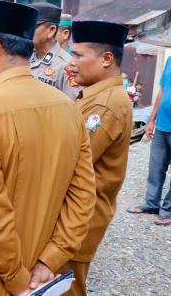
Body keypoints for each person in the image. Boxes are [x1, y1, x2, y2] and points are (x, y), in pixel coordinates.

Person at [0, 0, 96, 296]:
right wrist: (50, 259)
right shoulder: (68, 108)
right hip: (42, 273)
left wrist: (16, 279)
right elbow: (83, 199)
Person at [61, 21, 133, 295]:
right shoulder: (97, 96)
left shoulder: (105, 104)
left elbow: (69, 164)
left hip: (78, 221)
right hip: (77, 218)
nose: (71, 62)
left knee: (65, 288)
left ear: (106, 58)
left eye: (78, 55)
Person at [127, 57, 171, 226]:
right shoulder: (169, 60)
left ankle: (167, 210)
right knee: (155, 168)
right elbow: (161, 91)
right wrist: (151, 120)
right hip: (162, 124)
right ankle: (152, 203)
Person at [29, 2, 81, 100]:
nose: (27, 30)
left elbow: (72, 107)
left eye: (32, 26)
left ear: (51, 30)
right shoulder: (26, 58)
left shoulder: (66, 66)